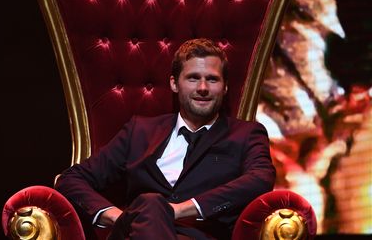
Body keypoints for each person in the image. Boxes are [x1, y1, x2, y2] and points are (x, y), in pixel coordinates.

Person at [55, 38, 275, 240]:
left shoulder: (246, 134)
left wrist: (180, 209)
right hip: (133, 235)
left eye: (212, 79)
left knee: (152, 202)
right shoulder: (139, 131)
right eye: (193, 78)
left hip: (199, 236)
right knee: (149, 204)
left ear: (225, 87)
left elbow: (260, 179)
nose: (202, 88)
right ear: (174, 83)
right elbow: (71, 179)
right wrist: (119, 217)